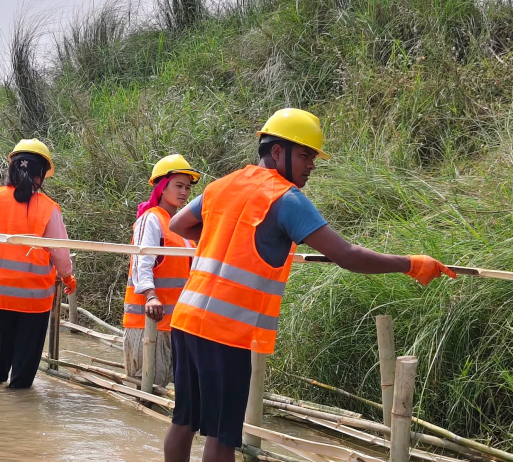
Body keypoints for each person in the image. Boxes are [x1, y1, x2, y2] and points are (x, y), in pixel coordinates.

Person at [163, 108, 456, 462]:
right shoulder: (287, 199)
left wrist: (225, 236)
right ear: (277, 152)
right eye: (305, 155)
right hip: (227, 332)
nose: (311, 165)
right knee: (222, 437)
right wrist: (411, 264)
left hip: (186, 320)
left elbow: (179, 225)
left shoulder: (222, 185)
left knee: (183, 421)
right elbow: (347, 255)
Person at [0, 138, 77, 389]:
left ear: (12, 168)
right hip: (34, 298)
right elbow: (60, 254)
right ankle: (18, 404)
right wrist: (67, 277)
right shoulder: (48, 208)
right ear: (40, 175)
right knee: (24, 364)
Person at [122, 154, 200, 387]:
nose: (184, 192)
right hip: (148, 321)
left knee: (170, 388)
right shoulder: (152, 219)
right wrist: (150, 296)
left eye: (187, 187)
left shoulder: (184, 229)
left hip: (176, 323)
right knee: (147, 389)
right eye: (178, 186)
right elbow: (141, 261)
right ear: (162, 187)